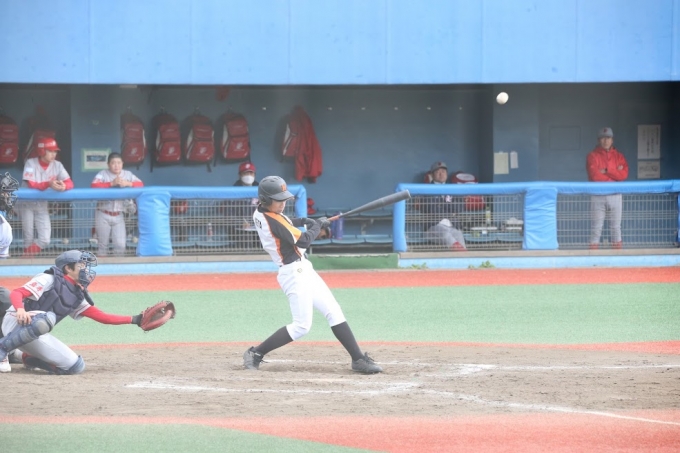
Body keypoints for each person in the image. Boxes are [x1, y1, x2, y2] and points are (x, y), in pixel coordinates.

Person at [243, 176, 382, 374]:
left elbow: (287, 222)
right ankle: (256, 353)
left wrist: (306, 221)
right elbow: (304, 240)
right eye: (278, 200)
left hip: (303, 268)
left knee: (333, 310)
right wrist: (318, 225)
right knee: (301, 326)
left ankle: (358, 359)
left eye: (284, 199)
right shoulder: (272, 221)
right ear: (265, 200)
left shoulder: (262, 211)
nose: (283, 203)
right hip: (292, 273)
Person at [0, 249, 152, 374]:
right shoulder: (48, 279)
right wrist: (20, 309)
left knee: (74, 367)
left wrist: (135, 319)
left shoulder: (77, 296)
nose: (86, 270)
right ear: (68, 268)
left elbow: (102, 317)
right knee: (47, 318)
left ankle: (22, 356)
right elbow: (17, 293)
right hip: (15, 321)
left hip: (34, 332)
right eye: (82, 265)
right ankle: (2, 348)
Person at [18, 137, 74, 257]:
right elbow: (31, 184)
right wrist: (49, 184)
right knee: (28, 238)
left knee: (45, 239)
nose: (54, 154)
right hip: (26, 204)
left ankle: (25, 257)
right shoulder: (30, 163)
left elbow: (70, 182)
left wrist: (63, 186)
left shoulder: (57, 165)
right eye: (50, 151)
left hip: (42, 204)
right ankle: (26, 262)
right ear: (42, 151)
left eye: (55, 151)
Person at [91, 152, 144, 256]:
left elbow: (141, 184)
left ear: (122, 163)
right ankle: (102, 266)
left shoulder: (127, 174)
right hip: (103, 213)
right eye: (113, 163)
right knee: (102, 246)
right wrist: (111, 183)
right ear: (108, 164)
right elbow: (94, 185)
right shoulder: (103, 174)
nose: (116, 165)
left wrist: (128, 183)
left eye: (119, 163)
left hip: (119, 215)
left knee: (121, 245)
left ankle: (117, 266)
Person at [586, 127, 629, 249]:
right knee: (596, 229)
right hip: (598, 195)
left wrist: (606, 170)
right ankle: (592, 258)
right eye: (603, 138)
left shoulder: (619, 156)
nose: (606, 141)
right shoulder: (592, 156)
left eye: (608, 138)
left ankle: (617, 257)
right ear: (599, 140)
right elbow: (595, 176)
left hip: (615, 195)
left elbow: (623, 175)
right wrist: (615, 172)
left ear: (612, 140)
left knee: (616, 228)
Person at [420, 161, 467, 251]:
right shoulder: (427, 189)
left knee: (459, 236)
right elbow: (431, 210)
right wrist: (450, 211)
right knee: (445, 234)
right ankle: (462, 253)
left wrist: (440, 205)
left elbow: (460, 207)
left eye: (443, 171)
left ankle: (462, 257)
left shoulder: (453, 188)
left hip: (453, 225)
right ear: (432, 175)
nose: (441, 174)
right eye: (438, 172)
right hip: (433, 227)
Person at [0, 173, 20, 371]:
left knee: (6, 300)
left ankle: (5, 349)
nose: (8, 197)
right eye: (5, 193)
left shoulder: (4, 228)